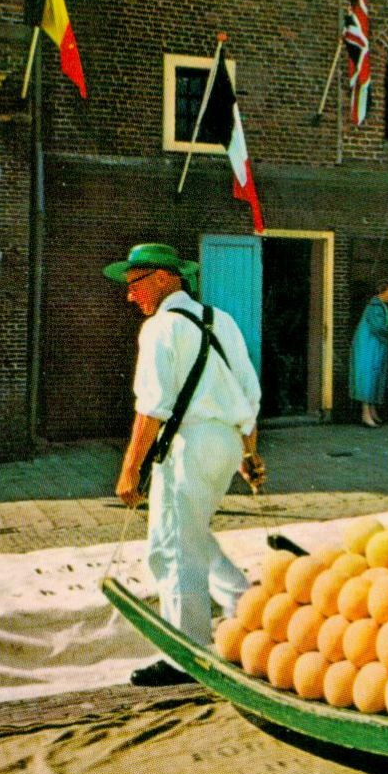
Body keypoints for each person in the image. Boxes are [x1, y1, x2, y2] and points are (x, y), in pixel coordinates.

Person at [105, 243, 262, 687]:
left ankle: (184, 655)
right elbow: (249, 393)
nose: (129, 296)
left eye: (134, 284)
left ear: (162, 278)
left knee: (171, 547)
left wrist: (130, 468)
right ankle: (247, 611)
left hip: (189, 445)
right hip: (226, 444)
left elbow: (152, 406)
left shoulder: (160, 329)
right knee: (192, 535)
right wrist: (250, 455)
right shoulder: (221, 321)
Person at [350, 280, 388, 427]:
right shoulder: (375, 307)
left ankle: (371, 410)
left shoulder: (379, 306)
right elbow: (378, 327)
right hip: (368, 347)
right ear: (382, 292)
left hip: (375, 346)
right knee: (368, 378)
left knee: (374, 377)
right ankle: (365, 414)